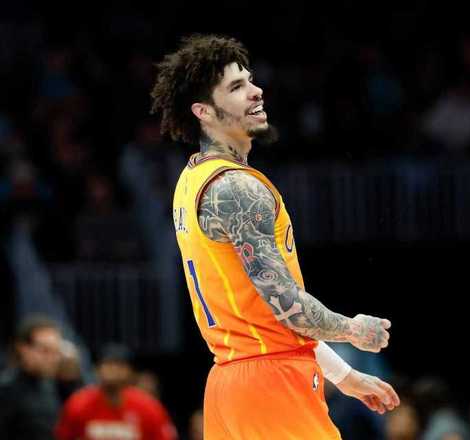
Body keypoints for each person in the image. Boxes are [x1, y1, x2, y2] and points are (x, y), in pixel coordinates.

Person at [150, 34, 400, 439]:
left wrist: (344, 375)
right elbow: (288, 306)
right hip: (271, 384)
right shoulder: (237, 188)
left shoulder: (192, 179)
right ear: (203, 111)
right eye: (236, 87)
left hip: (229, 386)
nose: (256, 91)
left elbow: (265, 315)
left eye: (250, 80)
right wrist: (353, 330)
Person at [55, 344, 177, 440]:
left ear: (130, 372)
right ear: (97, 370)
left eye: (119, 365)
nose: (113, 370)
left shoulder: (148, 406)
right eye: (108, 364)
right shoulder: (78, 403)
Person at [0, 315, 63, 440]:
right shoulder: (6, 391)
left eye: (56, 351)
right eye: (45, 351)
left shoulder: (54, 386)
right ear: (23, 349)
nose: (53, 359)